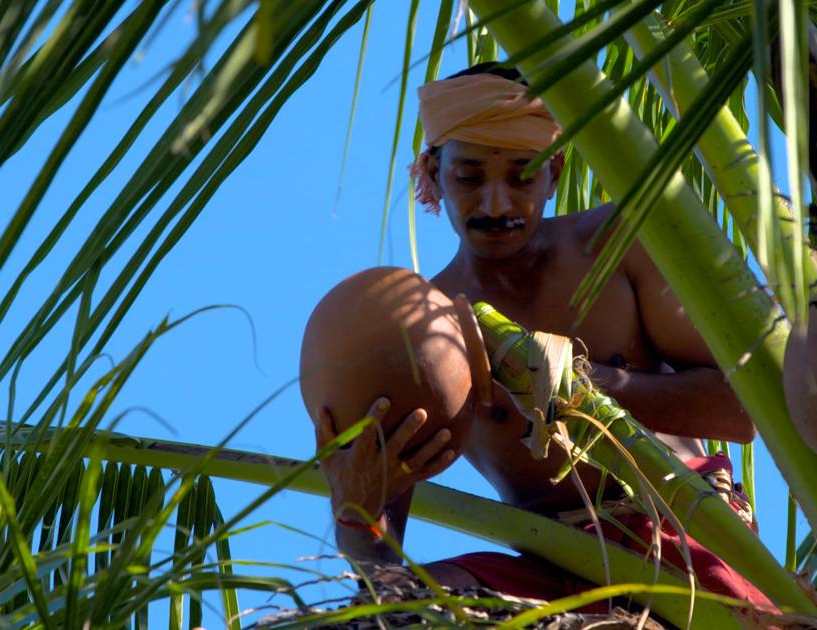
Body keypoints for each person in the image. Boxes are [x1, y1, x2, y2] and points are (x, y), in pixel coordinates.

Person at [312, 63, 765, 612]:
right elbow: (379, 575)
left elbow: (742, 414)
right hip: (553, 569)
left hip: (686, 533)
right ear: (432, 173)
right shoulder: (414, 330)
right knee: (400, 614)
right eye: (470, 177)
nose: (497, 204)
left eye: (522, 175)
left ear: (554, 169)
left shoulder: (617, 248)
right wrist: (355, 513)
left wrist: (581, 385)